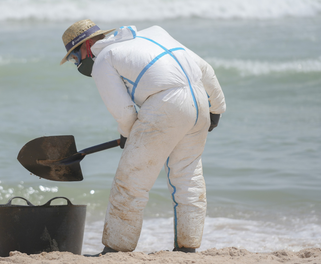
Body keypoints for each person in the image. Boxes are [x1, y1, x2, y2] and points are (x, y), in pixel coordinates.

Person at [60, 19, 226, 255]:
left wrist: (129, 136)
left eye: (75, 59)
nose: (78, 64)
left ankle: (116, 249)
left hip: (166, 104)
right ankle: (187, 248)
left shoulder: (104, 60)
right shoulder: (156, 34)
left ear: (85, 48)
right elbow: (206, 69)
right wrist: (217, 109)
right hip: (199, 100)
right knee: (187, 176)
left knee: (131, 180)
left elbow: (125, 112)